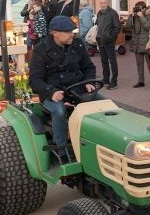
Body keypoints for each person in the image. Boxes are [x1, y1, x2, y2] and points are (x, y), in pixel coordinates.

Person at [28, 16, 102, 159]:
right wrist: (51, 92)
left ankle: (99, 142)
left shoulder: (78, 44)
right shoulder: (41, 50)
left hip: (79, 89)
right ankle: (62, 149)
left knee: (105, 105)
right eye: (68, 32)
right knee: (60, 111)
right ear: (55, 33)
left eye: (72, 31)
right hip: (54, 93)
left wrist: (88, 82)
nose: (72, 34)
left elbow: (89, 67)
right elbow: (35, 80)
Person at [95, 0, 122, 90]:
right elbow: (97, 25)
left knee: (112, 61)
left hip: (109, 41)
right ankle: (106, 79)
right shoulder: (99, 13)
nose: (102, 5)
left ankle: (114, 82)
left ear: (107, 3)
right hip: (100, 40)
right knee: (104, 61)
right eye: (101, 3)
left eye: (104, 3)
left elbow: (117, 27)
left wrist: (111, 37)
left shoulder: (112, 13)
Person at [130, 1, 150, 88]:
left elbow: (148, 27)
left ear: (144, 9)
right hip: (137, 44)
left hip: (147, 44)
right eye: (136, 7)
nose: (137, 10)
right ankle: (140, 81)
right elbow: (129, 26)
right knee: (139, 64)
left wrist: (141, 17)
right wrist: (132, 17)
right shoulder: (134, 16)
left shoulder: (149, 15)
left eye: (139, 8)